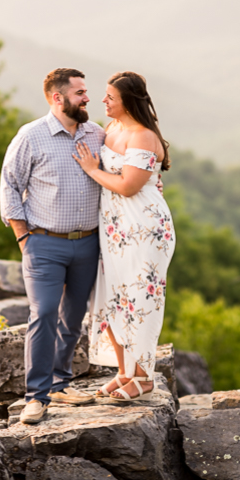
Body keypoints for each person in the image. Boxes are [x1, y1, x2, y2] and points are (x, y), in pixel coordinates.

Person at [0, 68, 104, 425]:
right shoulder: (31, 136)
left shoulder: (97, 134)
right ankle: (36, 396)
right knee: (43, 313)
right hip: (43, 243)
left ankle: (61, 383)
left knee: (73, 318)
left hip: (88, 244)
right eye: (79, 93)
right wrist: (22, 236)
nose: (86, 98)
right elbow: (10, 186)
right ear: (57, 98)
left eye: (85, 91)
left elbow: (121, 171)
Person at [73, 71, 175, 401]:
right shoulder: (112, 129)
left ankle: (144, 377)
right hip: (115, 229)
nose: (103, 101)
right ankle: (123, 372)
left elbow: (130, 186)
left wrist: (92, 170)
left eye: (110, 98)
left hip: (144, 228)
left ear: (128, 102)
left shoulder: (143, 136)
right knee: (112, 297)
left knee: (139, 299)